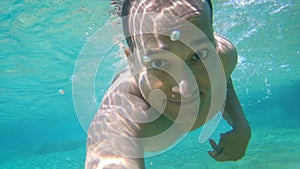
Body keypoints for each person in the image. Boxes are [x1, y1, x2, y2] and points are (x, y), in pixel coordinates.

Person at [85, 0, 251, 168]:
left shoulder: (224, 56)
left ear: (214, 47)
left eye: (198, 56)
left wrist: (240, 124)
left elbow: (222, 77)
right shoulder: (123, 113)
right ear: (133, 63)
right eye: (159, 63)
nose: (186, 89)